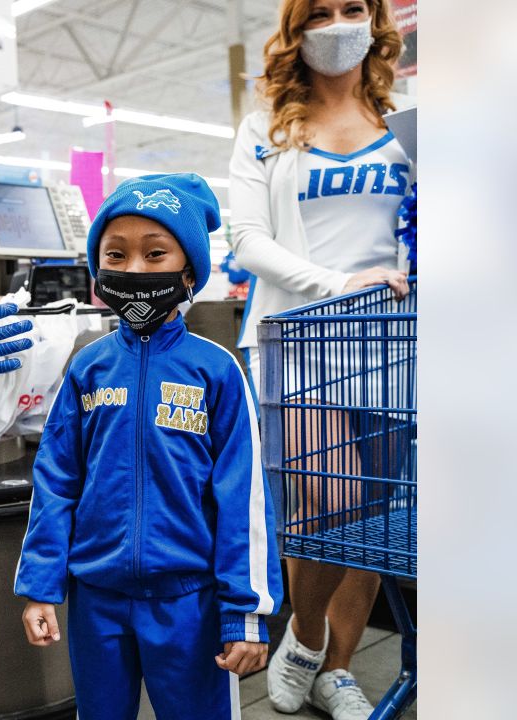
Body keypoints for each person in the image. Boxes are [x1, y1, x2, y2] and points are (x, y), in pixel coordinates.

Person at [15, 174, 282, 720]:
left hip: (191, 603)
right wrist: (42, 584)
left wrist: (246, 613)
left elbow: (244, 500)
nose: (133, 269)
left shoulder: (217, 371)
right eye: (116, 254)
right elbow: (56, 481)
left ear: (188, 272)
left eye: (155, 254)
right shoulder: (87, 368)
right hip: (97, 602)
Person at [228, 1, 410, 717]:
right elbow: (246, 240)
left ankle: (338, 669)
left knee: (370, 512)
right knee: (327, 500)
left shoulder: (409, 127)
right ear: (296, 31)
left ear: (375, 19)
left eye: (353, 7)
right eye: (321, 11)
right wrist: (338, 286)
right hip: (299, 341)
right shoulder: (266, 129)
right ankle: (304, 638)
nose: (339, 23)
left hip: (394, 344)